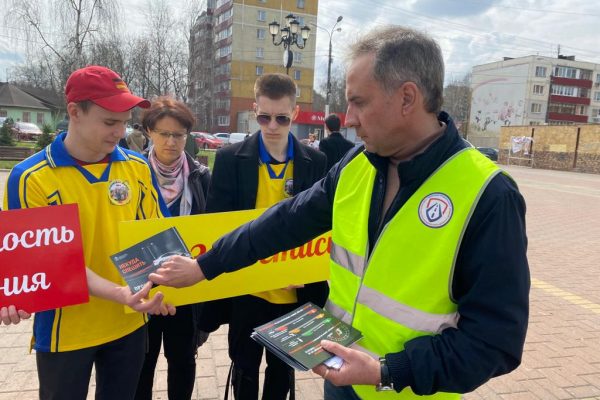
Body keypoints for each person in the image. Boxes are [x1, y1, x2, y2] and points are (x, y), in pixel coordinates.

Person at [151, 26, 529, 400]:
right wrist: (204, 266)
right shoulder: (358, 164)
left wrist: (385, 371)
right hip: (341, 377)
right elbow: (286, 221)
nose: (347, 118)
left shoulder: (488, 195)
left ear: (407, 98)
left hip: (408, 390)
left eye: (359, 102)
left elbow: (495, 344)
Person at [3, 65, 173, 399]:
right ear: (74, 112)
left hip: (129, 322)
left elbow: (156, 238)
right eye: (110, 122)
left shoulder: (138, 167)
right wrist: (121, 293)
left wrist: (167, 283)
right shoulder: (31, 178)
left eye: (125, 122)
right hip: (66, 331)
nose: (120, 132)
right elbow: (49, 265)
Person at [199, 73, 328, 400]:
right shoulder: (231, 159)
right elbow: (216, 225)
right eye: (264, 116)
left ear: (295, 114)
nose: (272, 125)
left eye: (282, 118)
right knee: (243, 366)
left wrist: (309, 268)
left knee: (282, 369)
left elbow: (324, 226)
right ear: (254, 110)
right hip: (247, 288)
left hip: (294, 292)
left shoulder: (316, 162)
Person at [134, 96, 211, 400]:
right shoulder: (131, 174)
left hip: (186, 287)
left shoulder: (201, 177)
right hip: (143, 286)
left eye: (178, 135)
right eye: (164, 134)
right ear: (149, 133)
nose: (171, 142)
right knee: (142, 362)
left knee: (182, 360)